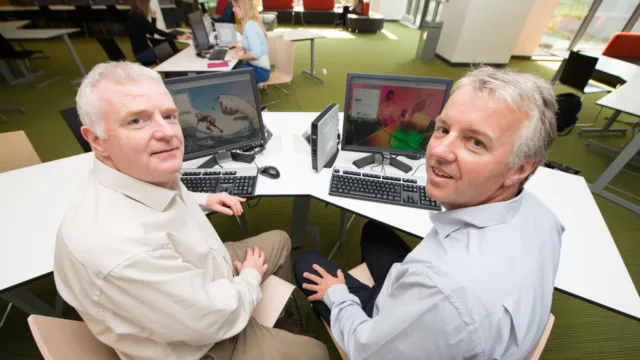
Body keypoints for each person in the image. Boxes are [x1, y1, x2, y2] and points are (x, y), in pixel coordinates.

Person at [53, 61, 329, 360]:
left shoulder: (134, 168)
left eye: (169, 115)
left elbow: (167, 185)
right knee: (316, 352)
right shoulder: (123, 249)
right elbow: (214, 319)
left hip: (205, 270)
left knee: (280, 240)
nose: (166, 132)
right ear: (95, 139)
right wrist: (248, 278)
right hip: (203, 342)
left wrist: (202, 198)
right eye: (136, 121)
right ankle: (266, 329)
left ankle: (276, 323)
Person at [294, 66, 564, 360]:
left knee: (305, 262)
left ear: (521, 167)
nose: (439, 152)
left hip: (402, 328)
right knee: (374, 230)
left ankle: (373, 306)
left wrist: (338, 295)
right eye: (443, 129)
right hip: (447, 309)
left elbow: (363, 350)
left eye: (476, 142)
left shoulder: (443, 296)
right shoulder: (545, 216)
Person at [126, 0, 190, 66]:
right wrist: (178, 37)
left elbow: (151, 33)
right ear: (144, 4)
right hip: (144, 55)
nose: (149, 7)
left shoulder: (135, 15)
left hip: (144, 52)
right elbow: (157, 31)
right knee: (173, 51)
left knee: (171, 45)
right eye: (149, 4)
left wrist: (153, 18)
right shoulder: (138, 17)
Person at [228, 0, 270, 83]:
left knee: (229, 77)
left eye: (235, 6)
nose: (233, 9)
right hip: (254, 66)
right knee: (231, 73)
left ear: (242, 8)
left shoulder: (250, 25)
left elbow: (256, 54)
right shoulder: (250, 22)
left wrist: (237, 56)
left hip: (260, 71)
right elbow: (254, 46)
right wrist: (240, 48)